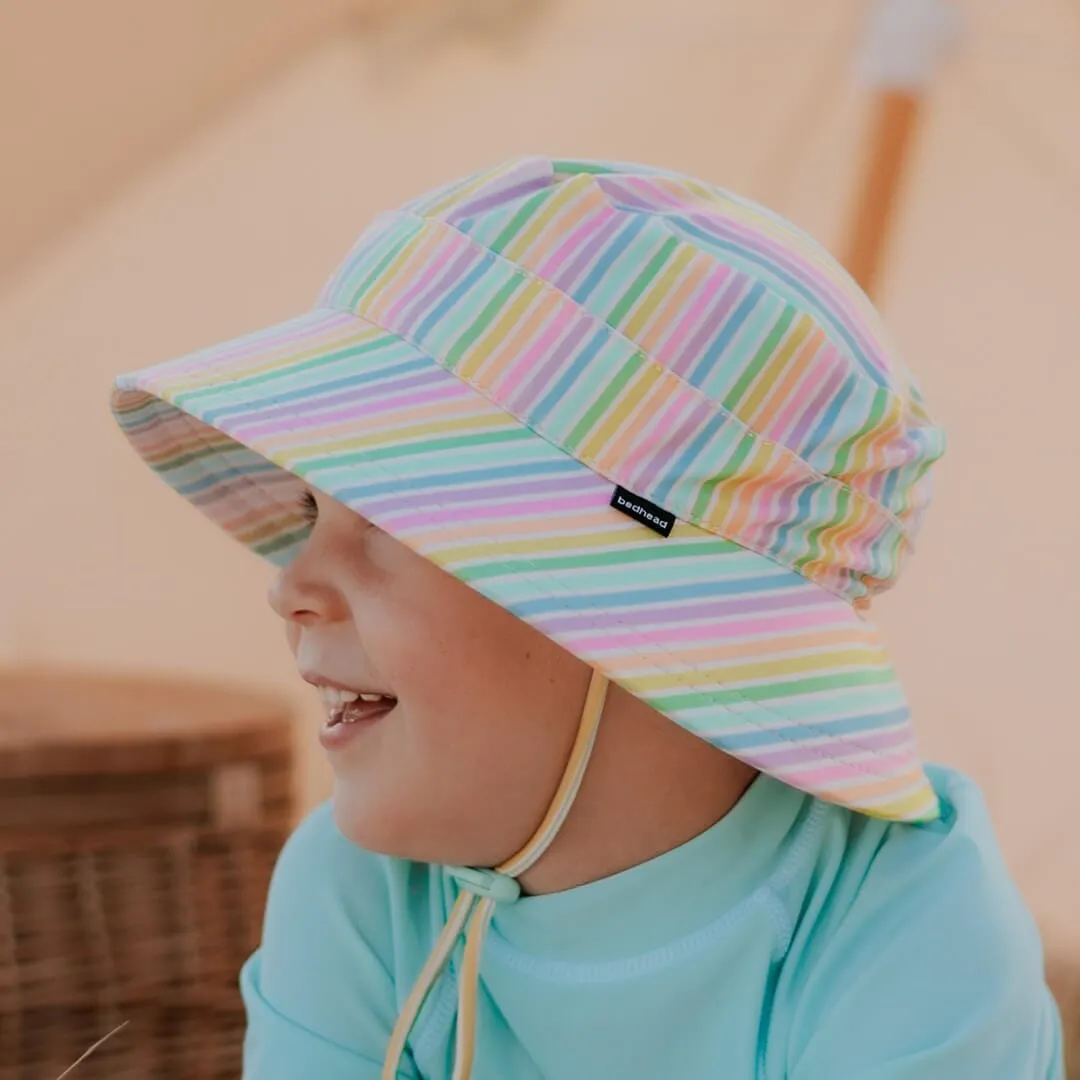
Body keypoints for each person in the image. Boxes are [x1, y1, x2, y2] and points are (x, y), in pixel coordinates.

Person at [112, 157, 1064, 1079]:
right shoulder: (358, 892)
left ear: (623, 604)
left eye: (390, 519)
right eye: (313, 512)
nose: (289, 586)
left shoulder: (906, 932)